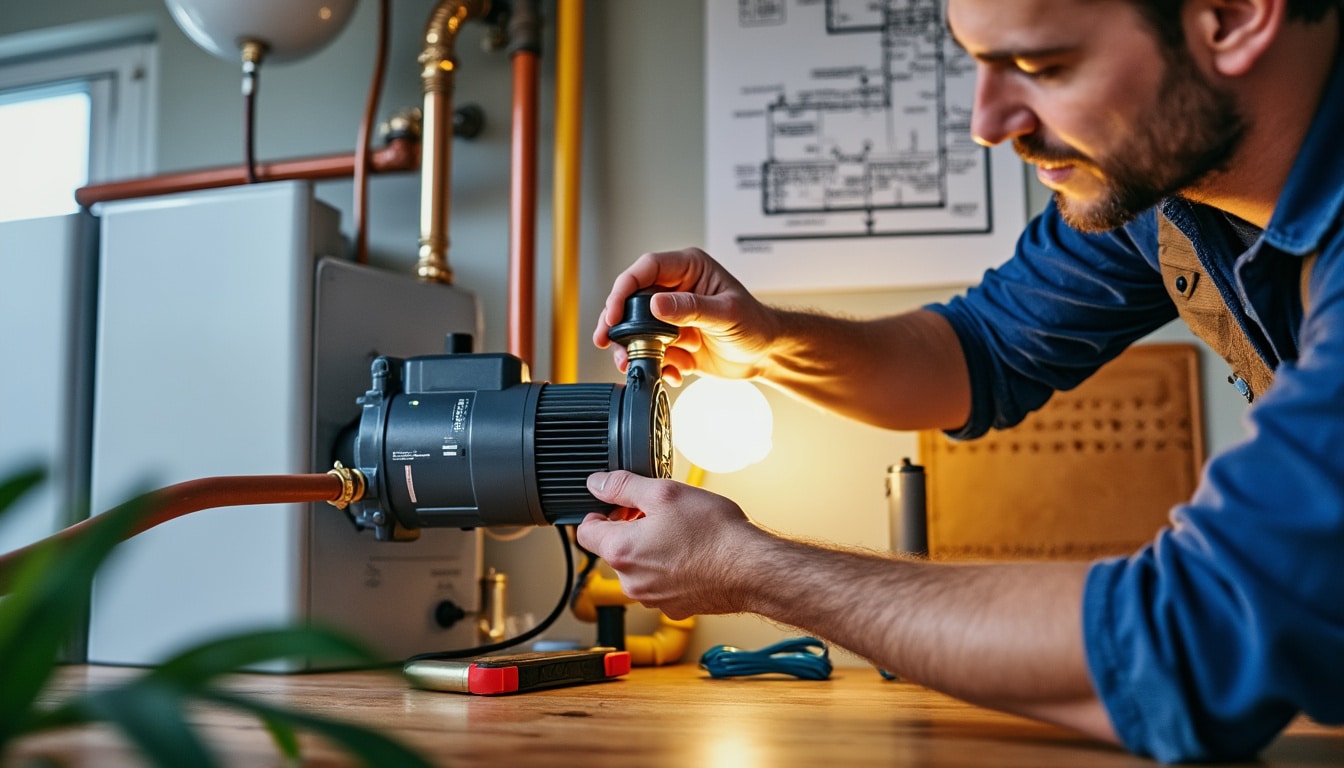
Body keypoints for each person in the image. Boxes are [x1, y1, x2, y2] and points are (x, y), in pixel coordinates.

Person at [574, 0, 1344, 762]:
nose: (986, 121)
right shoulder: (1162, 194)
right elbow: (976, 355)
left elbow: (1193, 641)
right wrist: (766, 342)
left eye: (1041, 66)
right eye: (978, 61)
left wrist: (750, 569)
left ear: (1233, 16)